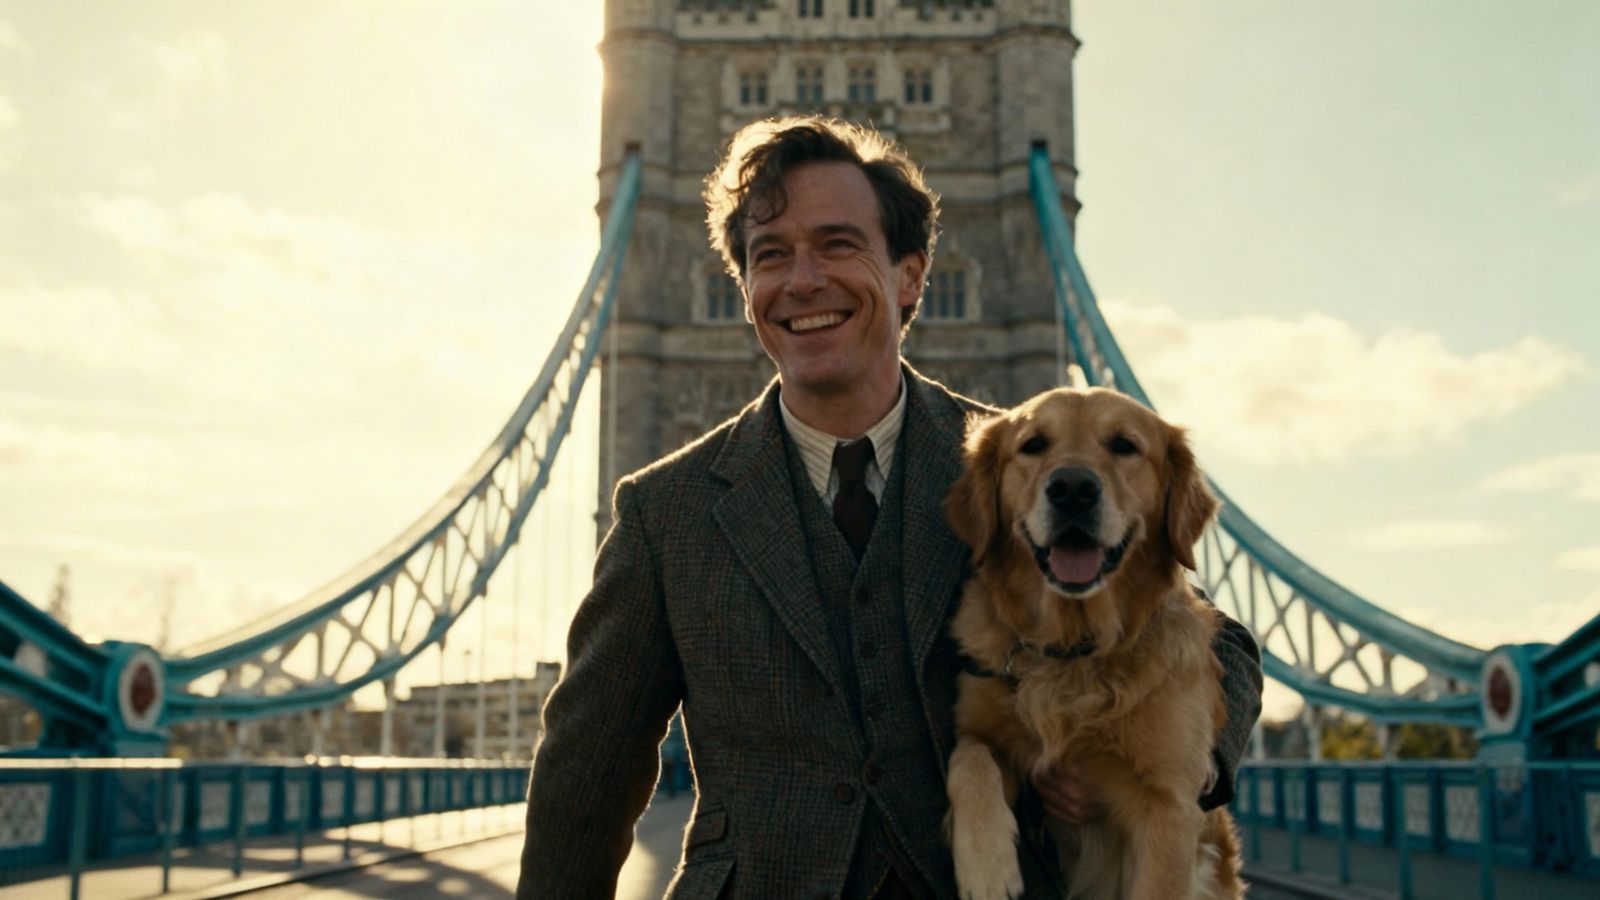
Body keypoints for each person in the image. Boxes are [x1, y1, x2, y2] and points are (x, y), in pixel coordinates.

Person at [518, 115, 1263, 898]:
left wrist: (1184, 765)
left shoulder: (1011, 468)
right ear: (745, 291)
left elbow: (1214, 639)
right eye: (771, 256)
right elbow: (585, 776)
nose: (803, 280)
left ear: (910, 276)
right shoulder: (662, 513)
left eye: (838, 244)